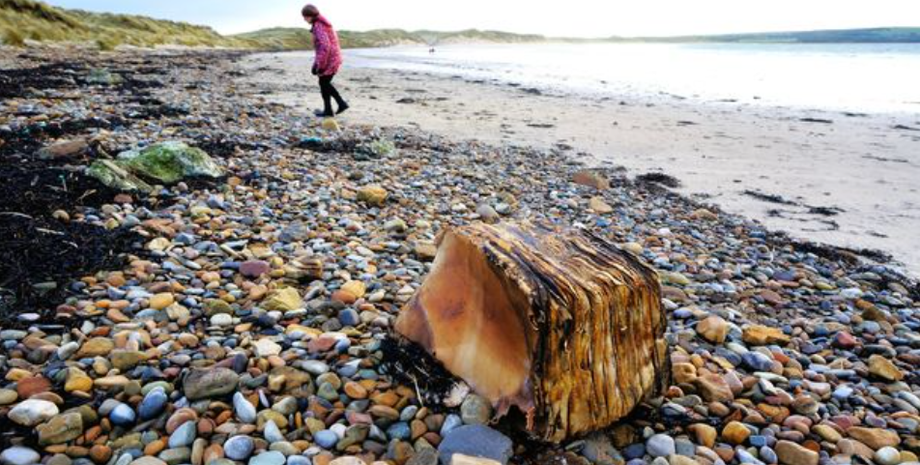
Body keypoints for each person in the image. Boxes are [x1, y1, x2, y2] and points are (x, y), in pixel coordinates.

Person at [303, 4, 348, 117]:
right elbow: (321, 48)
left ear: (311, 15)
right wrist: (316, 64)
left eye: (305, 16)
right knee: (324, 83)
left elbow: (325, 46)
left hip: (330, 60)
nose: (304, 19)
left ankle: (340, 104)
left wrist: (320, 65)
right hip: (331, 58)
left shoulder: (318, 26)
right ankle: (330, 109)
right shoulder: (321, 24)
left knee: (324, 83)